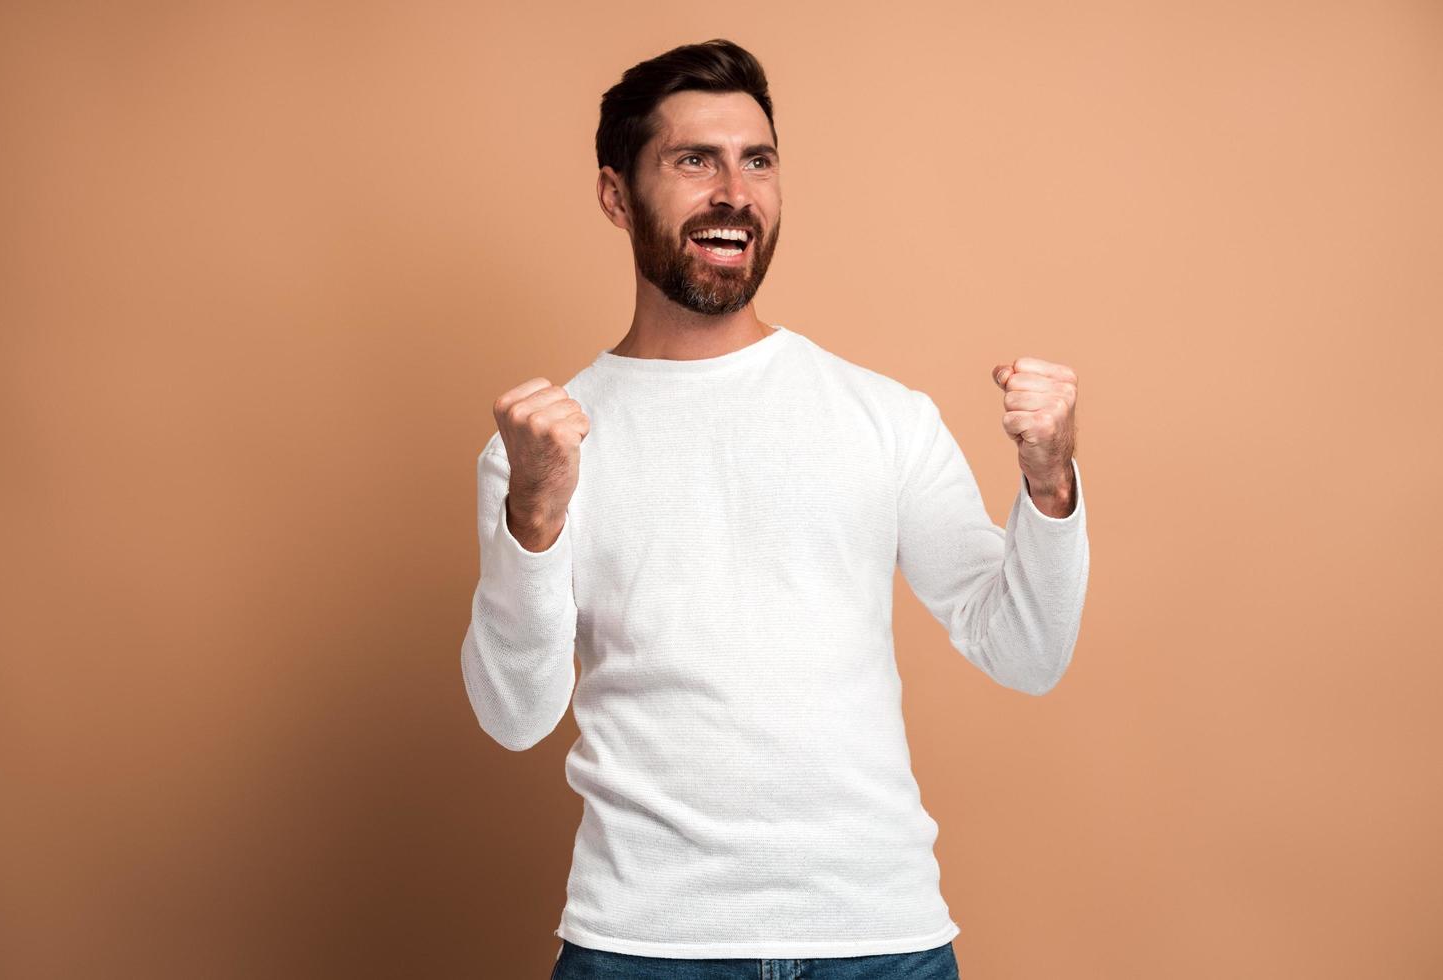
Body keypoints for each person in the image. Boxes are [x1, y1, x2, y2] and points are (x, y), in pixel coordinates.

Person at [461, 38, 1088, 980]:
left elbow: (1026, 653)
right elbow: (514, 715)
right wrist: (534, 521)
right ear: (614, 196)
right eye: (693, 160)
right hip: (643, 947)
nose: (733, 191)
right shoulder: (544, 452)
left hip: (879, 944)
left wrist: (1051, 486)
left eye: (757, 160)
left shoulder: (882, 416)